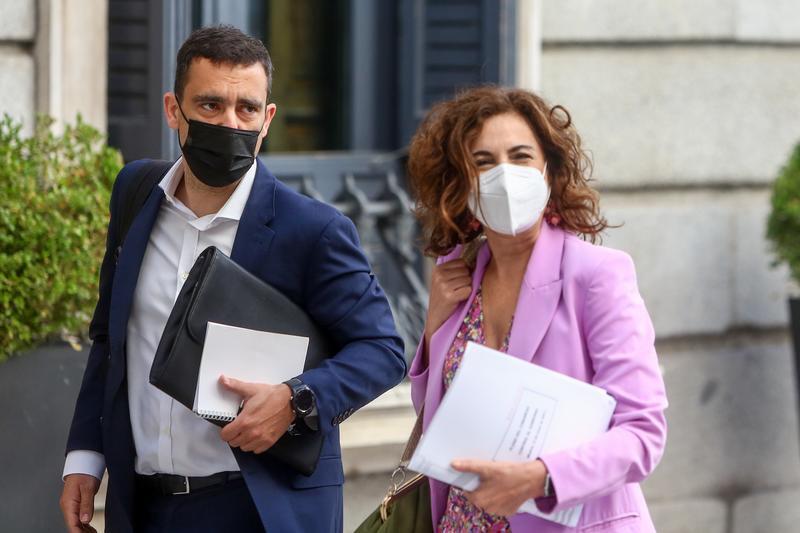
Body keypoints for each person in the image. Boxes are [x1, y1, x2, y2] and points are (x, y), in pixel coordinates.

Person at [59, 25, 406, 533]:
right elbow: (111, 338)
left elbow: (382, 351)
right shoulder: (135, 192)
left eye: (247, 109)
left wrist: (295, 400)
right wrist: (85, 457)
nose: (230, 122)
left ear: (268, 120)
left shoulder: (314, 230)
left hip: (260, 509)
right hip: (145, 507)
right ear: (173, 110)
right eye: (210, 105)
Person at [406, 86, 668, 532]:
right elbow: (436, 417)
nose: (504, 174)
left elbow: (643, 433)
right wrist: (433, 330)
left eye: (520, 156)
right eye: (483, 161)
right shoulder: (457, 276)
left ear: (550, 170)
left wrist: (540, 478)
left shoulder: (597, 275)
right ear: (460, 182)